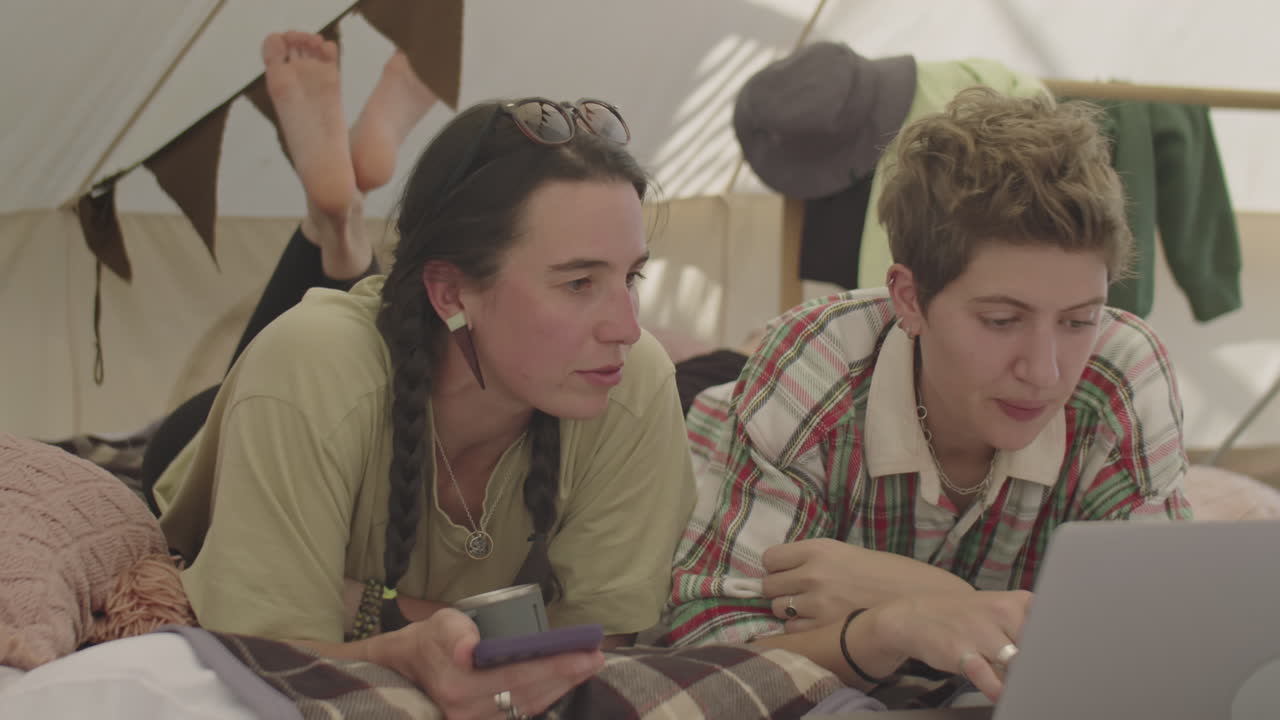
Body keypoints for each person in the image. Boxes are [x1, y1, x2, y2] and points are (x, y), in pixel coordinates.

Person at [149, 31, 696, 719]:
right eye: (580, 282)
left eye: (631, 275)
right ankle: (335, 222)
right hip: (221, 440)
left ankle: (339, 221)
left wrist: (377, 609)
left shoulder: (633, 379)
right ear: (451, 293)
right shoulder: (309, 374)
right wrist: (403, 649)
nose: (625, 323)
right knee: (317, 344)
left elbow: (595, 646)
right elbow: (266, 650)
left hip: (392, 377)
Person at [660, 87, 1192, 703]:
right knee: (664, 366)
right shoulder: (813, 368)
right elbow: (706, 656)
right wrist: (891, 627)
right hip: (705, 411)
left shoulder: (1122, 376)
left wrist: (929, 595)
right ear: (910, 299)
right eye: (1000, 320)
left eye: (1078, 320)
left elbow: (1160, 648)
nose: (1045, 371)